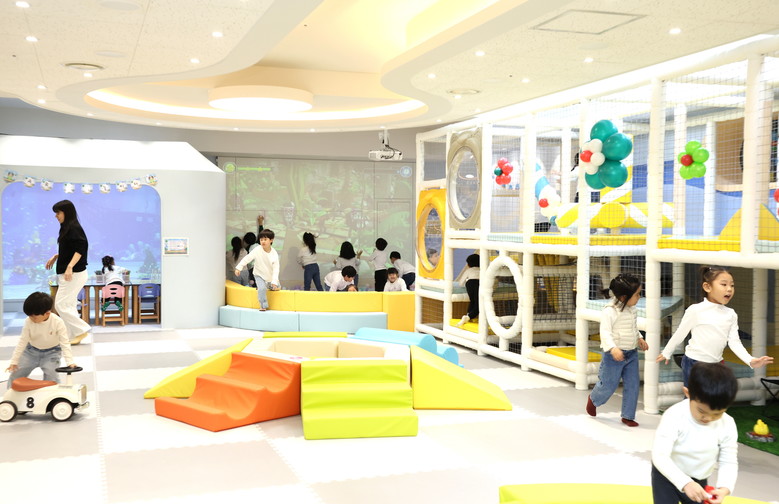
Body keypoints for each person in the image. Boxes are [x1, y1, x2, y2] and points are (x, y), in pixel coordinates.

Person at [656, 265, 773, 387]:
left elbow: (734, 342)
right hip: (694, 363)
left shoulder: (731, 314)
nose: (729, 289)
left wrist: (750, 360)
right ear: (707, 287)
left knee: (715, 396)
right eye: (724, 284)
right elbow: (680, 333)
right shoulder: (695, 310)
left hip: (717, 364)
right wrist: (667, 352)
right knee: (695, 397)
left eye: (732, 285)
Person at [651, 362, 739, 504]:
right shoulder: (674, 415)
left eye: (717, 414)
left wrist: (724, 488)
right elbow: (660, 456)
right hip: (667, 474)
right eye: (701, 411)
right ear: (688, 394)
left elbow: (728, 460)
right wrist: (685, 483)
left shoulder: (727, 424)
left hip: (699, 480)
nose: (708, 418)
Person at [585, 274, 648, 427]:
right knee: (608, 385)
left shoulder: (632, 309)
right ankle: (594, 399)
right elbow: (605, 333)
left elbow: (632, 327)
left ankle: (628, 416)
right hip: (613, 355)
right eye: (637, 294)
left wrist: (639, 338)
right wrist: (613, 348)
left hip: (631, 353)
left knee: (633, 385)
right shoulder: (610, 311)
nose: (639, 297)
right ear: (624, 297)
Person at [5, 292, 77, 388]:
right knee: (15, 375)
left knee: (52, 378)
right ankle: (10, 394)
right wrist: (14, 361)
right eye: (29, 316)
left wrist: (70, 362)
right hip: (30, 352)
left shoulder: (57, 322)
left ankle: (51, 395)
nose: (31, 319)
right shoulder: (28, 321)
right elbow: (22, 341)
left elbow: (64, 342)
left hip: (52, 353)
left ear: (47, 313)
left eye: (34, 317)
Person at [45, 200, 91, 345]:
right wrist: (57, 256)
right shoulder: (67, 228)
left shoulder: (74, 228)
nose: (56, 216)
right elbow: (71, 249)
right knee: (68, 305)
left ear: (66, 212)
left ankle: (81, 330)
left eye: (58, 213)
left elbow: (81, 248)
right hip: (69, 273)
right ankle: (73, 336)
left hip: (74, 274)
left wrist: (70, 266)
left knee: (60, 305)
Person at [234, 229, 280, 311]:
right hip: (258, 274)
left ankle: (272, 285)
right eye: (261, 239)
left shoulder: (274, 253)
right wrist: (239, 268)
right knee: (261, 288)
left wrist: (274, 281)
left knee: (275, 287)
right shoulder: (257, 249)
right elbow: (248, 258)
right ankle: (263, 305)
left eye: (265, 239)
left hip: (269, 276)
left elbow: (276, 269)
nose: (263, 241)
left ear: (271, 240)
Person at [456, 254, 480, 327]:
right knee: (478, 304)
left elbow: (460, 283)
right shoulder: (482, 270)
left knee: (472, 301)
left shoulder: (468, 270)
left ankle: (468, 315)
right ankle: (468, 317)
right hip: (479, 283)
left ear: (468, 264)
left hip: (470, 283)